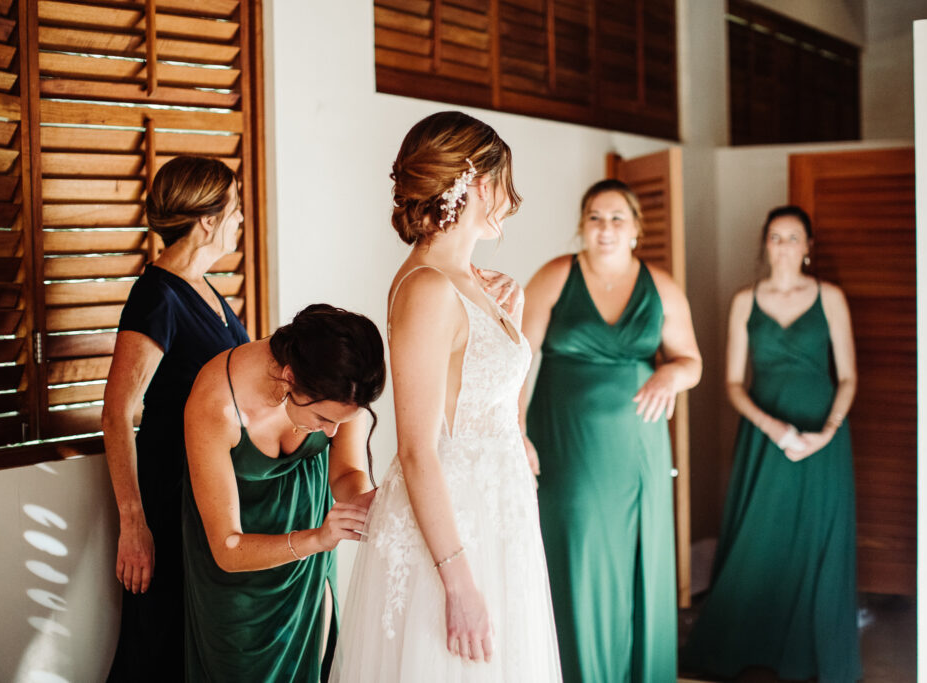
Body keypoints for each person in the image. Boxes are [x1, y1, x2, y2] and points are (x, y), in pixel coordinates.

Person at [330, 111, 562, 682]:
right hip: (456, 526)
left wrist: (513, 313)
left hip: (500, 513)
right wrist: (457, 581)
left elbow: (491, 399)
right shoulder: (428, 288)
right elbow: (416, 450)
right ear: (478, 182)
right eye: (504, 181)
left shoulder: (471, 281)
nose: (513, 198)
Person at [521, 178, 702, 682]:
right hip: (565, 445)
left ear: (636, 229)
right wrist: (516, 430)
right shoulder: (555, 277)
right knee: (576, 551)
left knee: (636, 557)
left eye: (617, 217)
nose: (605, 228)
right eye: (595, 218)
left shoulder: (661, 286)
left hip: (638, 450)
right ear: (582, 226)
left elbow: (693, 362)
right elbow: (518, 360)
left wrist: (670, 371)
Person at [681, 205, 861, 682]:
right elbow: (734, 385)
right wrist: (773, 428)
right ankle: (742, 646)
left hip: (824, 436)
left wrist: (827, 432)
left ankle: (810, 653)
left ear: (808, 247)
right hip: (764, 436)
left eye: (793, 237)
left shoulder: (831, 298)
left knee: (816, 539)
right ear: (765, 243)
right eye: (776, 237)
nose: (783, 245)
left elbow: (846, 377)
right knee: (758, 539)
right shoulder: (745, 301)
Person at [182, 304, 386, 682]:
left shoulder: (342, 381)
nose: (330, 434)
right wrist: (318, 539)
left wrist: (364, 501)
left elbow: (346, 472)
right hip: (240, 578)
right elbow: (227, 547)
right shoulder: (217, 404)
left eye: (341, 422)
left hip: (309, 562)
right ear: (289, 378)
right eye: (324, 420)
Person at [103, 155, 248, 681]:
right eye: (235, 209)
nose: (239, 220)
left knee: (195, 642)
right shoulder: (157, 295)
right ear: (207, 219)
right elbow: (117, 412)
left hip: (207, 490)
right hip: (169, 498)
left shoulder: (209, 289)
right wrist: (134, 523)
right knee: (156, 647)